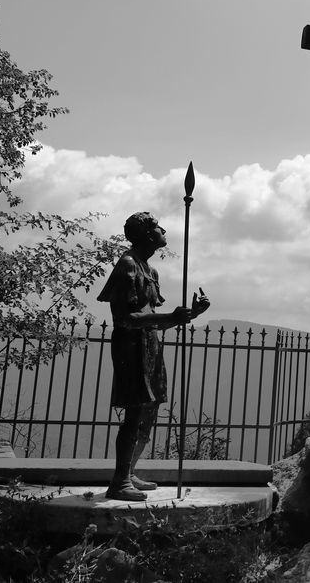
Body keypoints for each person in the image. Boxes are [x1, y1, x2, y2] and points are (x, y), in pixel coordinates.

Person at [95, 211, 208, 501]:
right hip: (130, 346)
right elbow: (124, 318)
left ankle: (129, 472)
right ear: (147, 234)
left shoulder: (150, 270)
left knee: (150, 408)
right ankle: (119, 483)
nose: (163, 230)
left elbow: (154, 319)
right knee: (134, 412)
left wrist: (189, 315)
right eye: (157, 227)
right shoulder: (128, 265)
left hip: (149, 344)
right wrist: (169, 315)